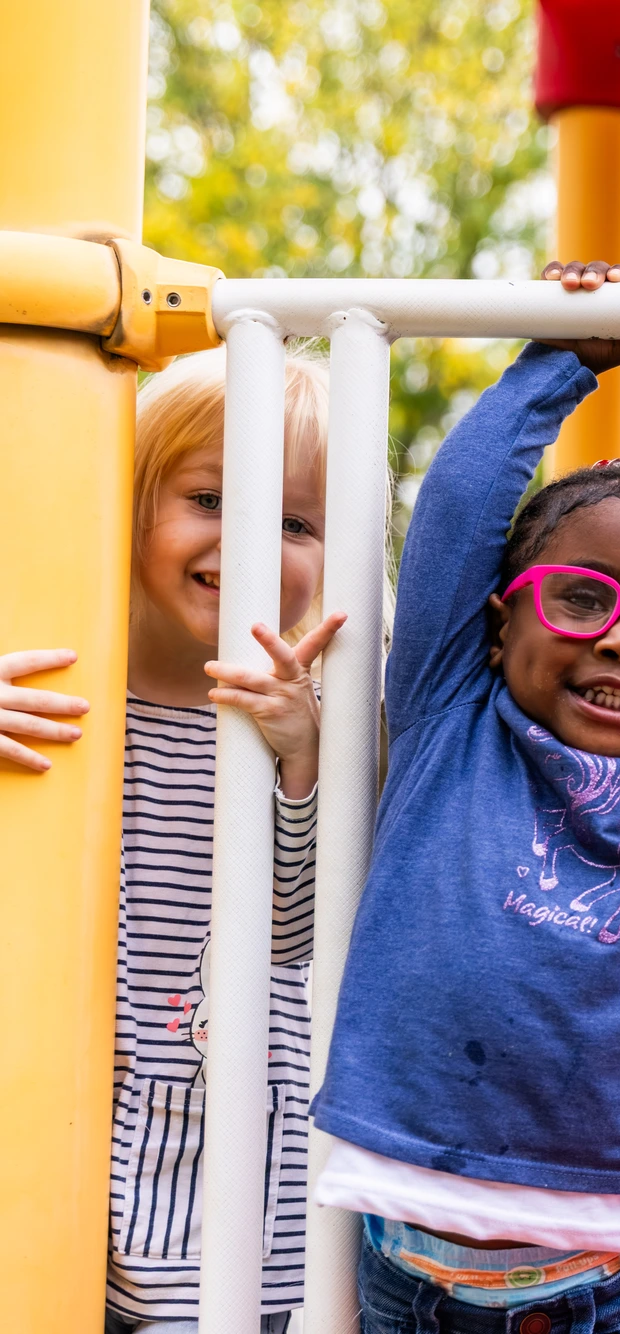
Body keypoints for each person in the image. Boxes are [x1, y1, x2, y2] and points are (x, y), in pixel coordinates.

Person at [306, 259, 620, 1334]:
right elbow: (457, 511)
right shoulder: (449, 713)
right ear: (499, 624)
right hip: (417, 1283)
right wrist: (560, 358)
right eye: (582, 599)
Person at [2, 347, 342, 1333]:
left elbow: (298, 929)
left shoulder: (308, 725)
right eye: (209, 498)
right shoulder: (49, 685)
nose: (251, 540)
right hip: (45, 1122)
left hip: (215, 1153)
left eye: (295, 522)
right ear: (127, 501)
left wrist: (303, 760)